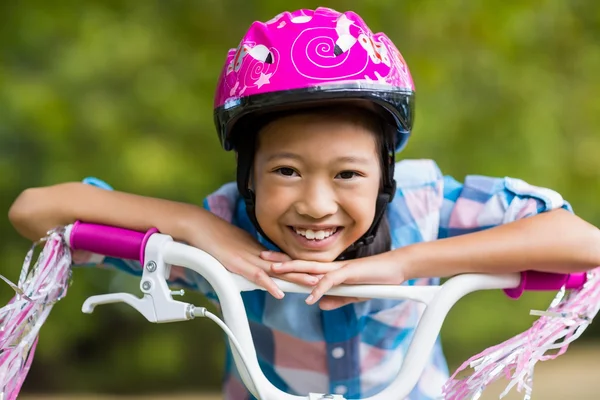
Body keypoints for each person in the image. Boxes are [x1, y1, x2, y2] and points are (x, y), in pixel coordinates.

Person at [8, 7, 600, 400]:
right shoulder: (224, 239)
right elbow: (35, 211)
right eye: (285, 171)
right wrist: (196, 226)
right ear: (248, 175)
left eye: (347, 174)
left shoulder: (423, 208)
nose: (316, 204)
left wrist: (400, 265)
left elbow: (585, 242)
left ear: (384, 176)